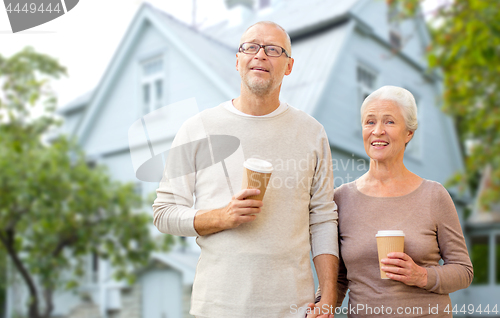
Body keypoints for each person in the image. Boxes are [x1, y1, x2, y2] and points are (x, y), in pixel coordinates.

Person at [153, 21, 338, 318]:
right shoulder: (198, 128)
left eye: (274, 49)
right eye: (250, 46)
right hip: (217, 307)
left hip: (293, 308)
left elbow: (323, 218)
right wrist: (221, 217)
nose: (260, 55)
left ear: (289, 66)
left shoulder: (312, 133)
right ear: (237, 60)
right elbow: (164, 213)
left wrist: (328, 293)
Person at [315, 85, 473, 317]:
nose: (378, 131)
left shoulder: (434, 195)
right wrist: (322, 306)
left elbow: (464, 271)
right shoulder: (342, 198)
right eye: (370, 122)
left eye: (389, 122)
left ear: (409, 132)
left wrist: (421, 275)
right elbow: (338, 278)